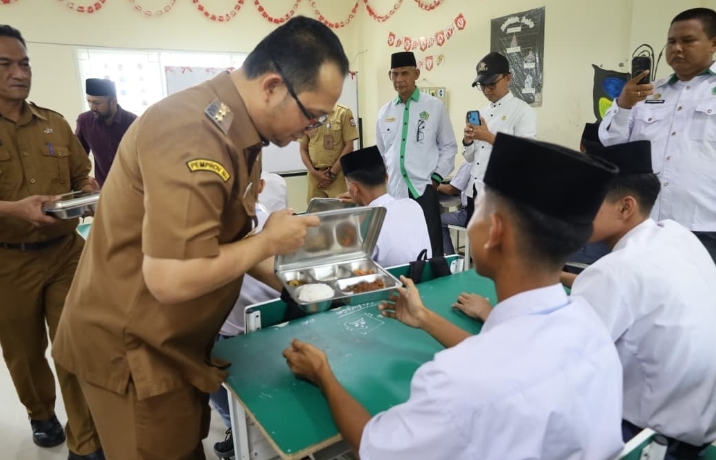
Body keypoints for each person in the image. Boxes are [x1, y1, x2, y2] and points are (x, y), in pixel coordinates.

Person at [51, 16, 348, 459]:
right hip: (133, 350)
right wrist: (268, 242)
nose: (312, 131)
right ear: (272, 86)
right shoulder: (193, 134)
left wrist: (303, 286)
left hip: (175, 341)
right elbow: (171, 278)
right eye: (312, 116)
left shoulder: (241, 133)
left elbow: (227, 243)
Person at [283, 133, 624, 460]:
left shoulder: (456, 381)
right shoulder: (590, 325)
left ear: (495, 231)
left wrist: (323, 373)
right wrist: (425, 318)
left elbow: (374, 450)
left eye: (478, 210)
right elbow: (503, 355)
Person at [567, 140, 716, 460]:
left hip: (646, 440)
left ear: (626, 207)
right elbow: (634, 293)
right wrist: (563, 276)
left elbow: (551, 364)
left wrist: (494, 315)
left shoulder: (612, 272)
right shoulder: (677, 235)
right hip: (700, 427)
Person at [0, 25, 103, 460]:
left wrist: (89, 194)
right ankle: (40, 413)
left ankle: (86, 440)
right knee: (24, 352)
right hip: (8, 262)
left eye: (24, 63)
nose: (19, 73)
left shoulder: (55, 124)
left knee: (75, 343)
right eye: (6, 64)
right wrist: (15, 209)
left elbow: (82, 176)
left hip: (65, 254)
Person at [599, 7, 716, 263]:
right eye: (671, 42)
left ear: (713, 44)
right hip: (647, 223)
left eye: (688, 41)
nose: (677, 48)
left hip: (704, 225)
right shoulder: (647, 93)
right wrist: (624, 105)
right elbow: (612, 144)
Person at [210, 172, 288, 460]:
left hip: (235, 334)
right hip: (280, 322)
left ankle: (235, 426)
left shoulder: (214, 231)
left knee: (206, 366)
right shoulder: (275, 220)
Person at [376, 51, 457, 258]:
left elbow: (449, 147)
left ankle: (436, 278)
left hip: (423, 188)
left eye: (405, 73)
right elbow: (382, 153)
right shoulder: (384, 113)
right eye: (395, 74)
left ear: (416, 74)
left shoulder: (434, 107)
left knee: (431, 245)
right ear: (390, 76)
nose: (399, 79)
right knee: (399, 245)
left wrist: (436, 179)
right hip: (395, 191)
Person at [461, 52, 537, 218]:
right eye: (482, 85)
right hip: (475, 190)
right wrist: (468, 141)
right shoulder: (482, 113)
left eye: (491, 84)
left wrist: (488, 136)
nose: (487, 90)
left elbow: (526, 154)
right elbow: (470, 158)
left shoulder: (522, 111)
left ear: (508, 78)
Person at [341, 145, 431, 267]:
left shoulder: (364, 224)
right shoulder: (413, 206)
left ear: (354, 188)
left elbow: (352, 267)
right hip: (423, 276)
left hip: (389, 279)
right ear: (387, 178)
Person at [75, 78, 137, 187]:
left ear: (113, 102)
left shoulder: (132, 122)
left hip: (132, 186)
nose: (92, 107)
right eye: (89, 101)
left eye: (97, 103)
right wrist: (84, 179)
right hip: (104, 187)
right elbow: (78, 156)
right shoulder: (84, 121)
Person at [299, 104, 359, 202]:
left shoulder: (343, 112)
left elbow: (349, 147)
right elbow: (303, 149)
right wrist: (314, 172)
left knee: (339, 209)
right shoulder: (307, 114)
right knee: (315, 210)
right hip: (315, 177)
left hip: (338, 176)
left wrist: (331, 174)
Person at [438, 160, 472, 255]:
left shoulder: (469, 162)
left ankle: (451, 258)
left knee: (437, 221)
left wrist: (435, 184)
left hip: (470, 214)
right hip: (488, 214)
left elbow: (451, 190)